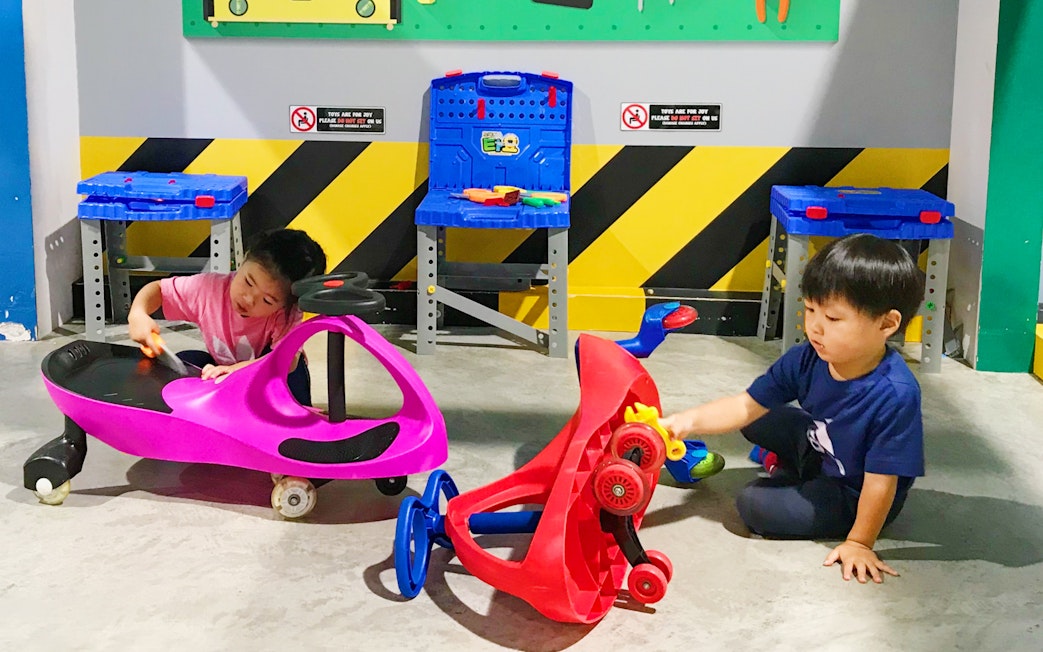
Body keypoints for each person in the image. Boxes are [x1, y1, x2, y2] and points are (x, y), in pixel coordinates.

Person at [660, 233, 926, 584]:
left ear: (886, 324)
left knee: (752, 505)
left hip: (851, 492)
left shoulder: (895, 394)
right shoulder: (808, 357)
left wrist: (859, 542)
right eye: (810, 309)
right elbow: (745, 405)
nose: (814, 327)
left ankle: (791, 475)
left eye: (833, 318)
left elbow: (881, 482)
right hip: (821, 447)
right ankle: (791, 470)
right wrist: (686, 420)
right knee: (758, 417)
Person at [128, 228, 327, 406]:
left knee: (291, 376)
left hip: (268, 371)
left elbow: (287, 360)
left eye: (267, 300)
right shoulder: (209, 289)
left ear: (285, 304)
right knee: (183, 363)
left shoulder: (287, 313)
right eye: (248, 282)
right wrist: (138, 313)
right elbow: (159, 290)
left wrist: (239, 370)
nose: (248, 299)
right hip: (222, 368)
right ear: (244, 259)